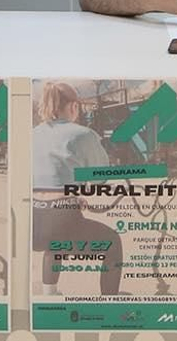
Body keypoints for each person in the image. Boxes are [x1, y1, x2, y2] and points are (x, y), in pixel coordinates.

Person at [30, 83, 122, 297]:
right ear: (73, 106)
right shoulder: (84, 134)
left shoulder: (33, 134)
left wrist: (72, 195)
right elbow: (100, 179)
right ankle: (110, 302)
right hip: (60, 220)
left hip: (34, 221)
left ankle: (50, 294)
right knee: (112, 242)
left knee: (55, 243)